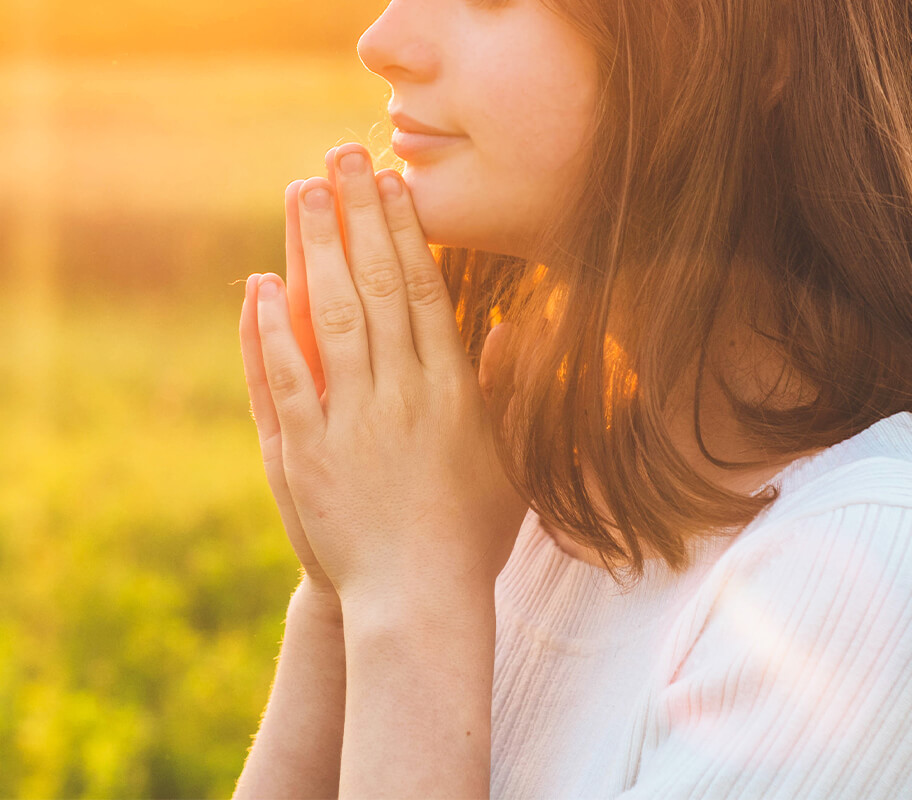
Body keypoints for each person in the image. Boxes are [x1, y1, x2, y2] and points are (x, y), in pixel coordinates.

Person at [235, 0, 912, 797]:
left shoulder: (867, 577)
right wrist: (340, 598)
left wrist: (408, 597)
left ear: (756, 47)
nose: (381, 42)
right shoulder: (506, 483)